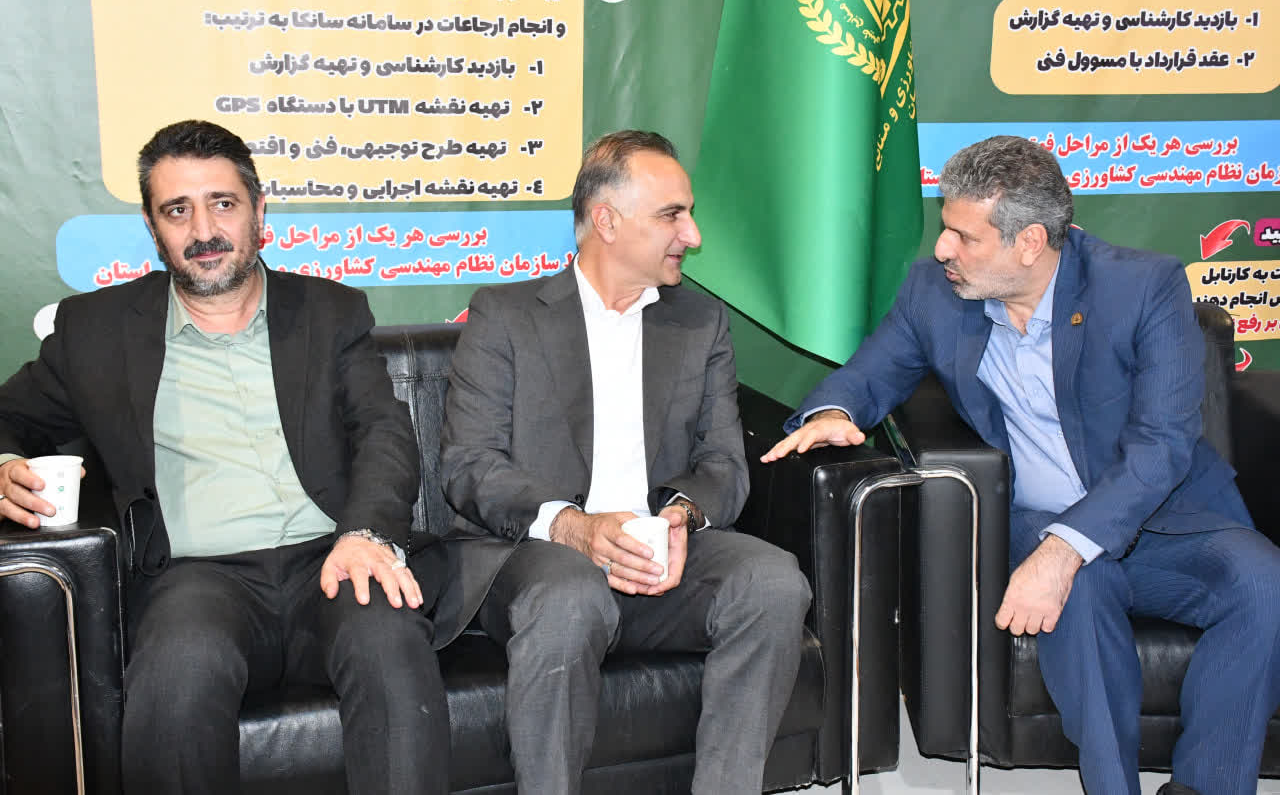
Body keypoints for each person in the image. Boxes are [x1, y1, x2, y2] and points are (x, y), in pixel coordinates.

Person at [763, 134, 1280, 795]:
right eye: (946, 228)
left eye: (964, 236)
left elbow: (1163, 445)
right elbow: (870, 374)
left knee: (1262, 582)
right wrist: (833, 412)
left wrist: (1064, 549)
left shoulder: (1141, 287)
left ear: (1031, 242)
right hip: (1032, 517)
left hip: (1161, 519)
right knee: (1082, 589)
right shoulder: (934, 292)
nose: (942, 248)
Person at [0, 120, 449, 794]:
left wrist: (365, 534)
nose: (203, 230)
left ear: (259, 212)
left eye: (223, 203)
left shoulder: (330, 312)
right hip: (197, 579)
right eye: (177, 210)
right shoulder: (95, 331)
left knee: (389, 640)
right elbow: (8, 415)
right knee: (178, 668)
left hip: (330, 558)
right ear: (153, 228)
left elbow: (384, 432)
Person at [432, 130, 812, 794]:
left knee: (774, 581)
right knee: (570, 595)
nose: (692, 235)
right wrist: (574, 527)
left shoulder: (699, 321)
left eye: (689, 214)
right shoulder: (507, 315)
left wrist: (681, 518)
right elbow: (470, 465)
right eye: (672, 215)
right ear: (606, 221)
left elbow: (724, 462)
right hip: (537, 555)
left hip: (658, 558)